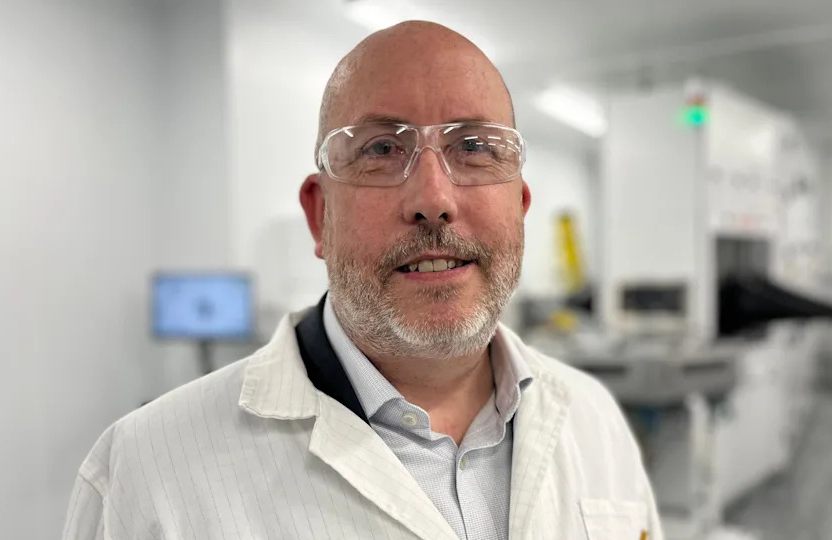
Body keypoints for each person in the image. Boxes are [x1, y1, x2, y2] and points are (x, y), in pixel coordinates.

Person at [63, 21, 663, 540]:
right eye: (380, 149)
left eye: (474, 147)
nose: (434, 198)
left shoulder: (594, 422)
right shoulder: (143, 474)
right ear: (320, 213)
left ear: (521, 207)